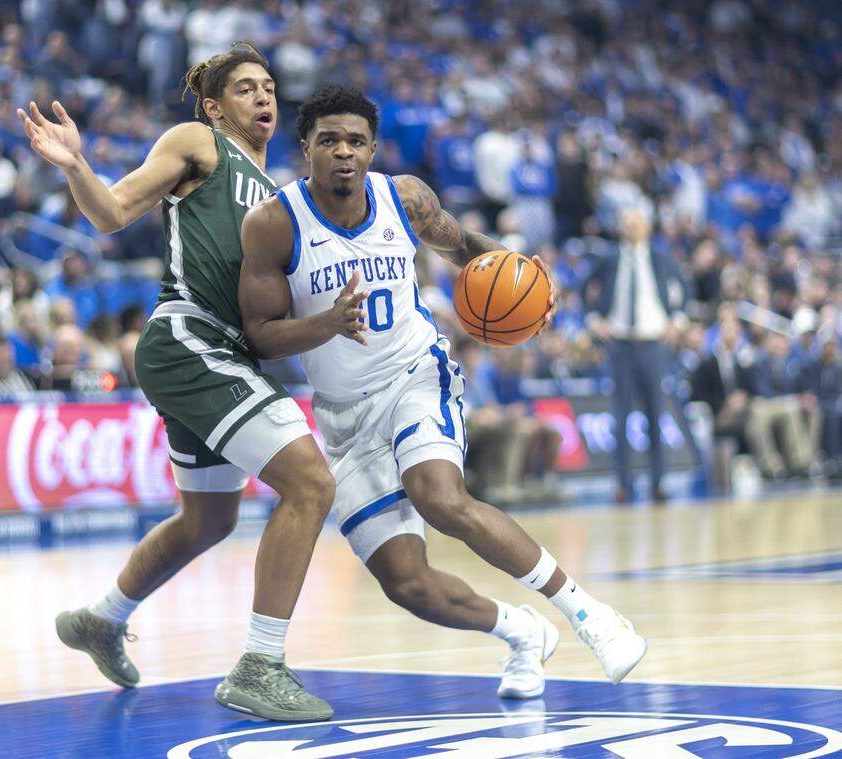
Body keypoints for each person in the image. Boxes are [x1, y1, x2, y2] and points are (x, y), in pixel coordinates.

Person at [239, 86, 647, 700]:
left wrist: (525, 278)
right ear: (306, 149)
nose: (343, 152)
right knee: (409, 585)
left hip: (414, 376)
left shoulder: (405, 198)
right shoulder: (273, 223)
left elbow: (465, 251)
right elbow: (263, 337)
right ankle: (523, 632)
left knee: (440, 496)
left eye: (355, 141)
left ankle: (590, 615)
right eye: (329, 141)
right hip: (344, 419)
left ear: (373, 149)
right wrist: (325, 324)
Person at [18, 44, 336, 721]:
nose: (263, 97)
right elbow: (110, 212)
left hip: (228, 352)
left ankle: (102, 618)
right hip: (189, 339)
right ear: (217, 106)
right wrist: (77, 164)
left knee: (208, 518)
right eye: (246, 88)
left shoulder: (277, 191)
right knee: (311, 484)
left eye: (270, 86)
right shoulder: (199, 141)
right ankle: (261, 663)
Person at [583, 206, 689, 503]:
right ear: (620, 228)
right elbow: (583, 288)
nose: (632, 228)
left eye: (637, 223)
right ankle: (623, 484)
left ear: (647, 227)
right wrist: (594, 319)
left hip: (653, 343)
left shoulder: (660, 257)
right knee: (621, 416)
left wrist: (677, 321)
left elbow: (685, 289)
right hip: (620, 345)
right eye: (627, 223)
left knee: (656, 415)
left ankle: (659, 483)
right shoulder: (609, 258)